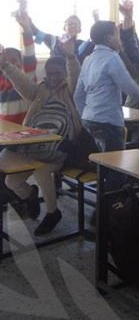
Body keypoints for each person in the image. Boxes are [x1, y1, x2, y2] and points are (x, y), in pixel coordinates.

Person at [0, 40, 81, 236]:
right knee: (11, 181)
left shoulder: (71, 91)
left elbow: (75, 75)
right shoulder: (40, 90)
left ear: (64, 74)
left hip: (59, 149)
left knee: (42, 172)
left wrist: (71, 57)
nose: (52, 77)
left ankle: (53, 213)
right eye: (49, 73)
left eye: (57, 73)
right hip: (34, 147)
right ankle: (30, 195)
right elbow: (21, 82)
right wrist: (5, 66)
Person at [74, 21, 139, 177]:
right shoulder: (112, 58)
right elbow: (129, 87)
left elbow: (78, 95)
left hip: (89, 119)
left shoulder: (88, 59)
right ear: (109, 38)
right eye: (117, 35)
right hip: (108, 120)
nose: (119, 40)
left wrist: (85, 114)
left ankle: (103, 188)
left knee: (102, 164)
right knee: (116, 168)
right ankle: (113, 192)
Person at [0, 10, 37, 124]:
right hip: (5, 129)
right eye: (6, 61)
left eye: (14, 60)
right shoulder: (1, 80)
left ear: (22, 63)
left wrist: (26, 28)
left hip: (25, 128)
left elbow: (29, 53)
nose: (10, 64)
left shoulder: (27, 76)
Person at [29, 13, 94, 63]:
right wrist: (26, 18)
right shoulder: (54, 41)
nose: (72, 26)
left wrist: (96, 19)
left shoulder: (85, 45)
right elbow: (35, 32)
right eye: (70, 24)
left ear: (79, 29)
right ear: (64, 28)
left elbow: (98, 42)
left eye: (75, 24)